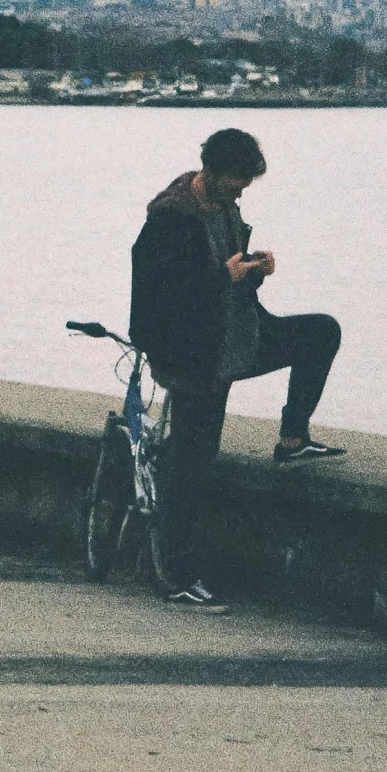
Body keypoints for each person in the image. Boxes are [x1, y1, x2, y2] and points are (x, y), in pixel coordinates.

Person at [128, 128, 344, 609]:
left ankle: (292, 439)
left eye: (246, 181)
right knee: (192, 464)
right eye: (236, 180)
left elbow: (224, 285)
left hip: (238, 337)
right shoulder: (170, 219)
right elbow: (162, 296)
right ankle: (178, 578)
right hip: (193, 353)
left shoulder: (224, 208)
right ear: (212, 170)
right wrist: (221, 276)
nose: (242, 189)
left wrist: (252, 271)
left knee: (320, 332)